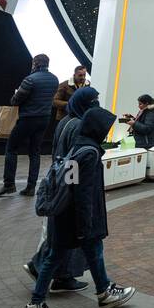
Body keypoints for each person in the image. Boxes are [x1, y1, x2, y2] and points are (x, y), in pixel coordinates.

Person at [22, 102, 136, 308]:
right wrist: (85, 227)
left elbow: (71, 185)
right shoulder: (90, 154)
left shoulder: (78, 147)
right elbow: (83, 193)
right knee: (78, 254)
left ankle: (103, 292)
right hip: (78, 220)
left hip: (64, 216)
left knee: (63, 256)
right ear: (97, 128)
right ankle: (37, 305)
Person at [26, 86, 95, 294]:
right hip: (68, 186)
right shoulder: (79, 125)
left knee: (59, 237)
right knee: (69, 239)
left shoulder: (65, 121)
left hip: (59, 182)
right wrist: (74, 187)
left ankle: (47, 270)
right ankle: (52, 277)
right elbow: (74, 160)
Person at [0, 53, 59, 198]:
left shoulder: (30, 80)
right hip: (44, 119)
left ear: (35, 64)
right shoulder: (54, 79)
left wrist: (17, 94)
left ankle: (9, 184)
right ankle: (31, 187)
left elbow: (15, 101)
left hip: (28, 118)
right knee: (35, 151)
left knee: (11, 148)